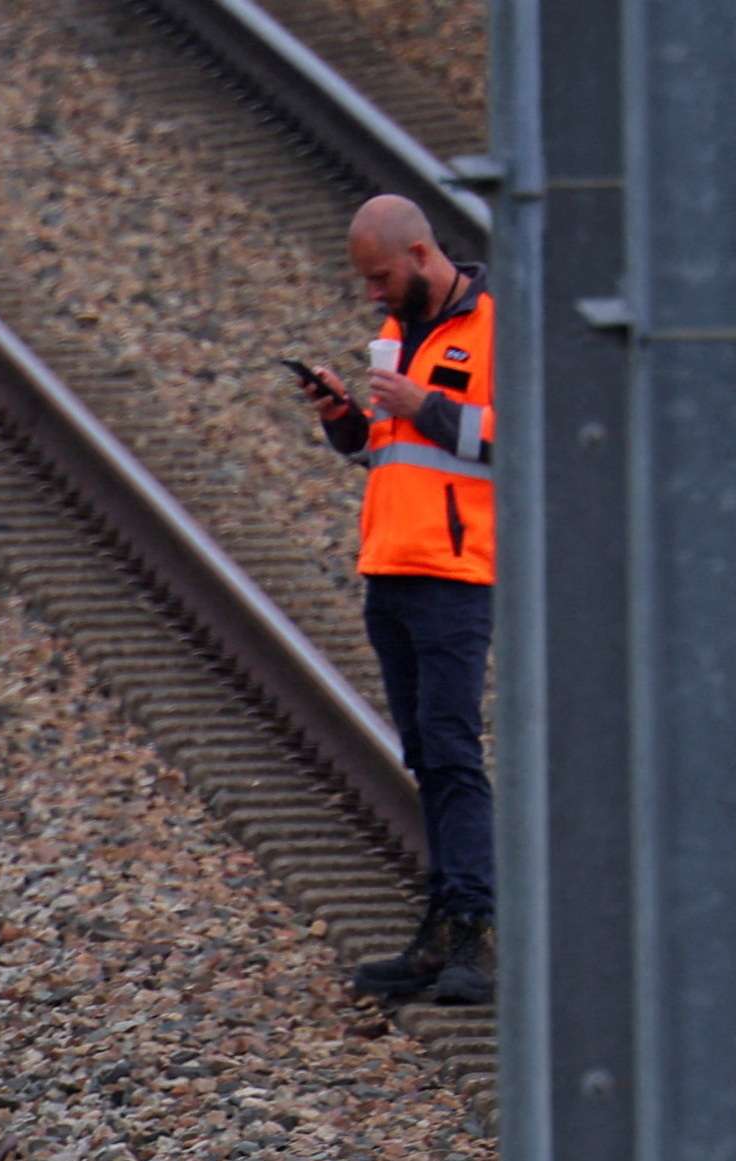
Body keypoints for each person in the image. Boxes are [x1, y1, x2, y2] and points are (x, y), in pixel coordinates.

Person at [298, 194, 496, 1009]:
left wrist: (430, 408)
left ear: (420, 254)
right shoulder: (395, 335)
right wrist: (346, 419)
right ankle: (443, 927)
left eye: (381, 278)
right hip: (391, 564)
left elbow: (538, 436)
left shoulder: (497, 329)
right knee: (423, 753)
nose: (373, 296)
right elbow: (388, 451)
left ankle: (475, 931)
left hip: (457, 572)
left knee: (452, 751)